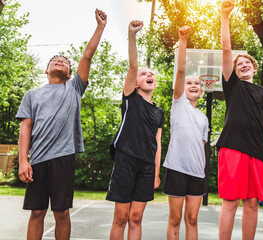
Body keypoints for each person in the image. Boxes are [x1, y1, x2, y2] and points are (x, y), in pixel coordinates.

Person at [15, 9, 107, 240]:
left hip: (63, 158)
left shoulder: (74, 89)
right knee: (37, 211)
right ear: (46, 70)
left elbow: (87, 56)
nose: (60, 60)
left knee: (61, 212)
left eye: (65, 61)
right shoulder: (32, 95)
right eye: (55, 60)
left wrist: (100, 27)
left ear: (69, 73)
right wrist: (23, 160)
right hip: (37, 160)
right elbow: (25, 128)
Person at [218, 1, 263, 239]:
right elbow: (226, 49)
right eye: (239, 64)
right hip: (232, 147)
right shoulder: (232, 86)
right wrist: (225, 17)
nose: (243, 65)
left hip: (256, 151)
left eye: (247, 63)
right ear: (234, 71)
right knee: (230, 203)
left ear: (254, 68)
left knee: (253, 203)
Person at [106, 20, 164, 240]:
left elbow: (157, 144)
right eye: (143, 74)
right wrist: (132, 35)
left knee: (137, 217)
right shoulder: (130, 98)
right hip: (126, 160)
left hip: (147, 166)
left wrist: (157, 172)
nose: (148, 75)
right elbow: (132, 66)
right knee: (121, 217)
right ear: (136, 83)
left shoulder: (159, 113)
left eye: (151, 73)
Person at [163, 26, 209, 240]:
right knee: (175, 219)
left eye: (196, 84)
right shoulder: (178, 103)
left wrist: (202, 170)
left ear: (201, 90)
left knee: (192, 219)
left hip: (197, 174)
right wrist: (183, 41)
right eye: (189, 83)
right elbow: (181, 71)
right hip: (177, 169)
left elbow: (200, 146)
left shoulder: (203, 118)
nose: (192, 85)